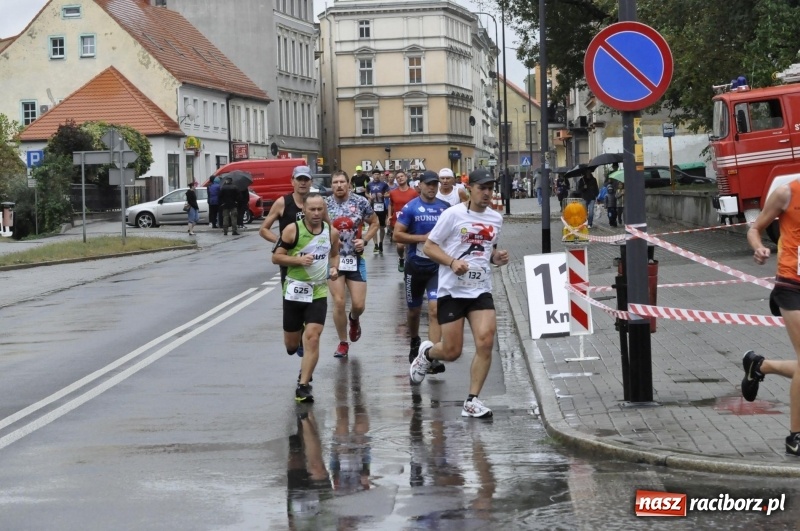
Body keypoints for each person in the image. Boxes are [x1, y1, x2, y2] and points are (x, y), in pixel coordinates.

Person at [409, 169, 510, 418]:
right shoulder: (452, 215)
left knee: (485, 341)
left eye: (490, 188)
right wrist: (452, 262)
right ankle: (427, 354)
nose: (487, 193)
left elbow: (487, 252)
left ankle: (472, 400)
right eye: (482, 188)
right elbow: (430, 247)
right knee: (452, 352)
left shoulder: (496, 219)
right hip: (452, 290)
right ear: (470, 188)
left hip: (480, 289)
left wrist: (497, 258)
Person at [745, 180, 800, 456]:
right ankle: (795, 437)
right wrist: (758, 247)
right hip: (792, 285)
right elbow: (755, 228)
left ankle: (760, 366)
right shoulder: (786, 193)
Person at [272, 193, 340, 403]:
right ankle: (297, 337)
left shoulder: (331, 232)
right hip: (294, 290)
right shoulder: (293, 230)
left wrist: (334, 267)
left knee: (313, 337)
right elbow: (276, 257)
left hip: (318, 291)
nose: (317, 213)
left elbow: (334, 254)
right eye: (313, 209)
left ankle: (304, 383)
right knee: (292, 347)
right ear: (305, 211)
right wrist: (297, 260)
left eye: (320, 209)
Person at [395, 170, 450, 373]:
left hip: (437, 268)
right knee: (414, 310)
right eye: (428, 184)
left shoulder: (445, 208)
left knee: (435, 310)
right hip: (415, 267)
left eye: (435, 184)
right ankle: (415, 340)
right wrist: (422, 239)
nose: (432, 187)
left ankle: (433, 355)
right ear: (420, 185)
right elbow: (397, 235)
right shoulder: (411, 208)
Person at [327, 170, 380, 359]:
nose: (339, 185)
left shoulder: (360, 202)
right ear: (331, 185)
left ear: (349, 184)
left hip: (355, 259)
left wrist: (364, 240)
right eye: (335, 182)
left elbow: (375, 222)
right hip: (334, 259)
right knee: (339, 302)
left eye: (342, 182)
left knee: (358, 305)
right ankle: (342, 343)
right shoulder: (325, 205)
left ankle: (354, 319)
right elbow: (316, 228)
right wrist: (329, 241)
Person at [387, 170, 418, 272]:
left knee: (409, 246)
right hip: (398, 221)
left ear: (406, 177)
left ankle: (409, 268)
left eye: (402, 176)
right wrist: (389, 216)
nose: (400, 178)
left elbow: (417, 206)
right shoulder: (393, 193)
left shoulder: (413, 192)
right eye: (398, 177)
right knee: (400, 246)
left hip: (411, 222)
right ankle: (401, 258)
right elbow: (390, 205)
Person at [367, 169, 391, 254]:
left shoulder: (384, 184)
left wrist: (384, 195)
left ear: (380, 175)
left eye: (378, 174)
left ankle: (381, 243)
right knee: (373, 226)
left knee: (381, 227)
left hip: (382, 207)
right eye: (375, 174)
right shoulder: (369, 184)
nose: (376, 176)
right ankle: (375, 245)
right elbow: (366, 193)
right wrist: (370, 197)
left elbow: (389, 193)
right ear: (372, 175)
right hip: (373, 207)